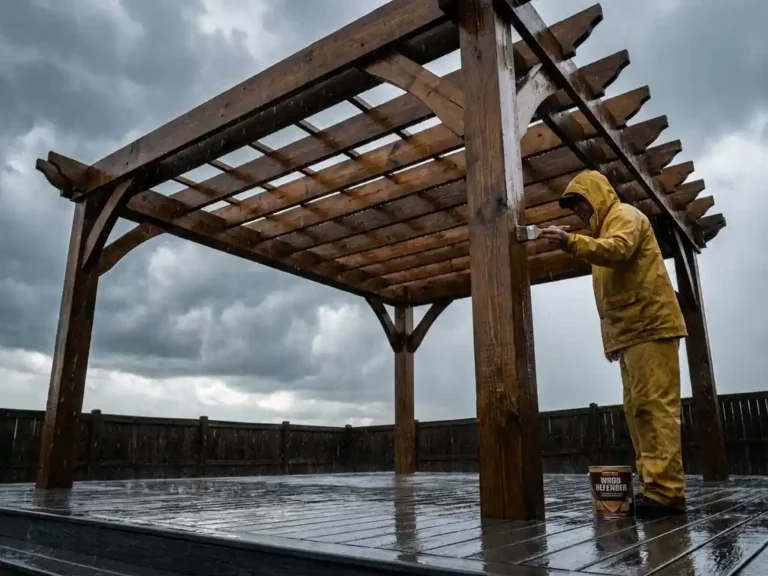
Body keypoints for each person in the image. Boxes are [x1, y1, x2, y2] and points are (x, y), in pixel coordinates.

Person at [538, 170, 688, 518]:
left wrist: (571, 241)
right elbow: (611, 299)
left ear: (598, 196)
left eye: (582, 204)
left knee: (655, 409)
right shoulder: (601, 236)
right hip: (634, 334)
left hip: (652, 327)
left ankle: (667, 493)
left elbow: (619, 250)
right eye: (575, 209)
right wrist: (612, 341)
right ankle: (655, 488)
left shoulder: (625, 217)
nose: (579, 213)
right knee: (639, 412)